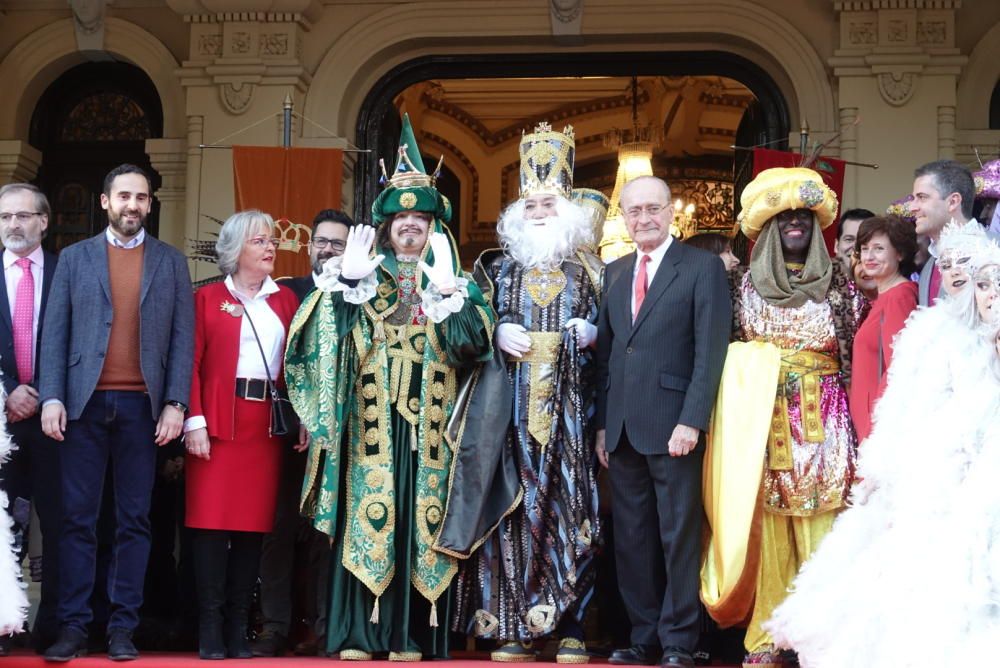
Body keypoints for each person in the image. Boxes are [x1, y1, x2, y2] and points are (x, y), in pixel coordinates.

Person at [285, 113, 494, 661]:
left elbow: (475, 349)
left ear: (433, 228)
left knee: (421, 527)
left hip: (432, 429)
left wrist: (453, 301)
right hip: (371, 426)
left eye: (421, 220)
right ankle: (359, 634)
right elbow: (322, 341)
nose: (410, 228)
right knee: (370, 524)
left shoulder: (454, 279)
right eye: (401, 221)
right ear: (385, 227)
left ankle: (414, 636)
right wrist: (344, 286)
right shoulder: (361, 274)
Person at [765, 239, 1000, 668]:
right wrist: (882, 463)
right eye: (945, 264)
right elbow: (902, 401)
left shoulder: (983, 333)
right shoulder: (930, 328)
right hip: (934, 461)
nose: (955, 273)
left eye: (970, 268)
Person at [441, 122, 605, 663]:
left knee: (569, 511)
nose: (538, 212)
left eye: (549, 204)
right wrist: (494, 330)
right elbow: (468, 329)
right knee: (512, 512)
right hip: (509, 413)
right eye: (530, 205)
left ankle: (572, 626)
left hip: (572, 417)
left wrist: (594, 331)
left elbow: (623, 335)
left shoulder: (592, 273)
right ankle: (513, 625)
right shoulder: (496, 270)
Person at [699, 167, 864, 668]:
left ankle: (823, 637)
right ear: (769, 228)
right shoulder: (740, 286)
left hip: (828, 421)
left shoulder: (840, 282)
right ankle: (768, 637)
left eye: (804, 216)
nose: (796, 221)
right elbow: (722, 353)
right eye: (786, 216)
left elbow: (857, 354)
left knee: (825, 528)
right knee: (770, 530)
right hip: (763, 423)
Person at [37, 163, 194, 662]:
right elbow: (54, 335)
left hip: (141, 409)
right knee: (78, 520)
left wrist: (175, 403)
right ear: (105, 201)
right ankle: (74, 628)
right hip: (81, 406)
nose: (133, 205)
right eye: (124, 196)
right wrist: (53, 396)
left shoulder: (170, 262)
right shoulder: (75, 259)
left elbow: (181, 341)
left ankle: (123, 628)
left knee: (135, 521)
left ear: (150, 205)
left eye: (142, 198)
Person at [595, 175, 731, 668]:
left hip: (676, 425)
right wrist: (604, 426)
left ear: (672, 211)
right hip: (625, 427)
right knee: (631, 538)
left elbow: (710, 350)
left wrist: (692, 419)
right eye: (634, 211)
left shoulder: (701, 268)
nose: (644, 218)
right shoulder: (615, 271)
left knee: (677, 535)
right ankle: (643, 634)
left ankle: (679, 640)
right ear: (624, 218)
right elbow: (610, 354)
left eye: (653, 208)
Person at [182, 210, 301, 659]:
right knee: (210, 530)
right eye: (259, 241)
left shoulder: (285, 300)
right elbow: (189, 364)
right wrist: (194, 420)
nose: (270, 247)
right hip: (214, 426)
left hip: (263, 429)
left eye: (271, 240)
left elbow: (299, 368)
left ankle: (238, 628)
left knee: (252, 532)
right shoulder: (208, 299)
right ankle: (210, 629)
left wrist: (303, 417)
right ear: (235, 250)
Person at [252, 207, 355, 658]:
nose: (329, 249)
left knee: (327, 533)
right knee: (277, 530)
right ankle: (275, 626)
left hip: (345, 437)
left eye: (338, 243)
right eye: (323, 242)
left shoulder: (362, 296)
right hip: (291, 434)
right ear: (309, 246)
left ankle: (324, 627)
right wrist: (300, 420)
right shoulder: (287, 293)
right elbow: (274, 363)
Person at [0, 184, 60, 655]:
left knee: (61, 525)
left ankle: (54, 628)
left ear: (44, 220)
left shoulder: (68, 271)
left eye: (23, 216)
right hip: (0, 420)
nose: (13, 225)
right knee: (3, 526)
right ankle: (4, 627)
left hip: (55, 421)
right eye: (5, 217)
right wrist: (6, 393)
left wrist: (46, 393)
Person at [849, 215, 918, 443]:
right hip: (867, 424)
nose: (869, 256)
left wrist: (875, 432)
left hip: (879, 430)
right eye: (865, 248)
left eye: (879, 249)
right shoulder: (882, 297)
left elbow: (898, 369)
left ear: (899, 253)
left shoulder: (900, 296)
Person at [910, 160, 978, 306]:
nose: (912, 207)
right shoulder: (930, 265)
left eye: (922, 197)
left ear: (953, 201)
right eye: (913, 198)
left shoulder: (993, 252)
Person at [834, 208, 875, 273]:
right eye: (849, 239)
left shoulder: (887, 282)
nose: (856, 247)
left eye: (863, 240)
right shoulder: (820, 282)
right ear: (836, 246)